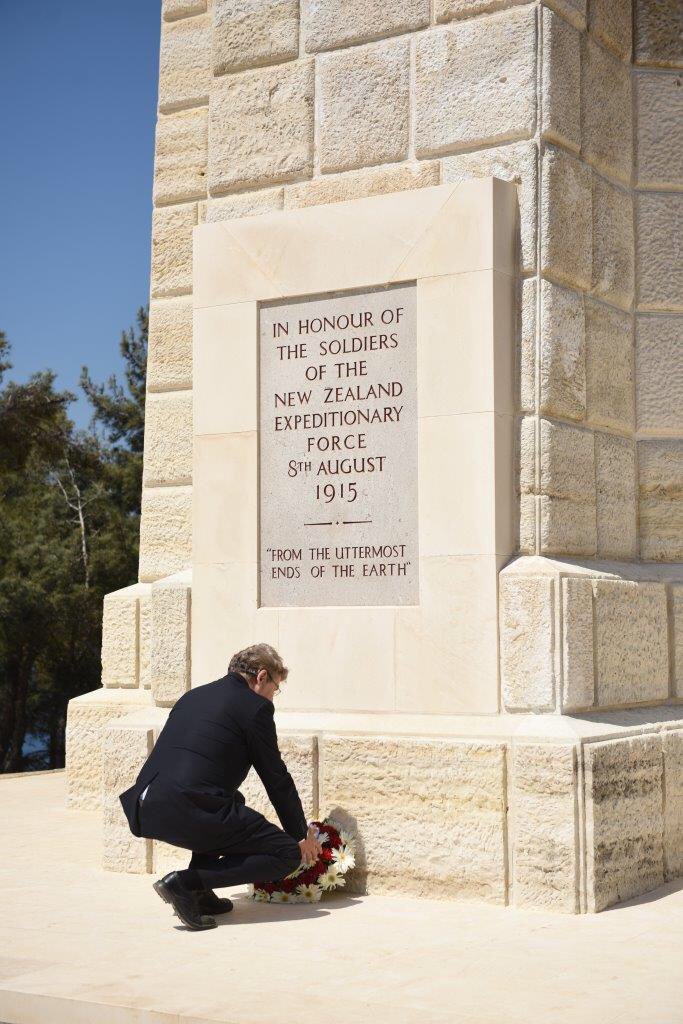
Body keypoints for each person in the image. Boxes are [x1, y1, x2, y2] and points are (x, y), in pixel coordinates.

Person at [119, 643, 322, 930]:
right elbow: (276, 778)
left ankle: (201, 893)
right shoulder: (255, 708)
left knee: (231, 800)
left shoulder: (193, 696)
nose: (272, 697)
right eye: (275, 689)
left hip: (145, 806)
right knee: (285, 853)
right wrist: (300, 836)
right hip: (189, 807)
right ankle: (185, 884)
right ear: (262, 677)